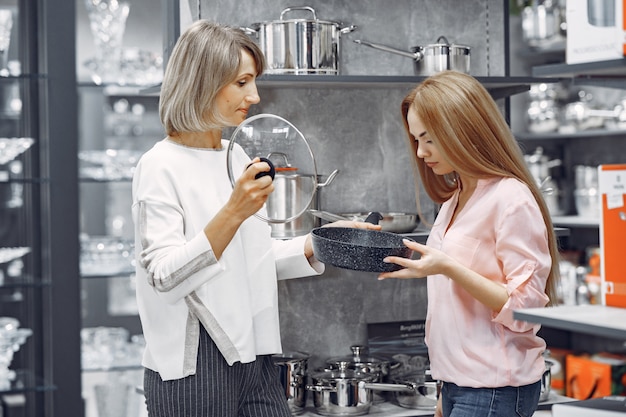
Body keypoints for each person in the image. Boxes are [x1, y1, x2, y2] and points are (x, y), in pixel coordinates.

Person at [131, 20, 378, 417]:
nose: (255, 95)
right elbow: (163, 276)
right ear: (203, 82)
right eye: (242, 82)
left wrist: (320, 241)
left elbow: (249, 260)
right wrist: (233, 211)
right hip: (194, 364)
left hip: (255, 352)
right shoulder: (159, 165)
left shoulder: (236, 156)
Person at [379, 70, 561, 417]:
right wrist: (445, 390)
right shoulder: (456, 199)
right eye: (417, 139)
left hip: (495, 389)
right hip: (459, 386)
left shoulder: (510, 198)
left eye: (429, 139)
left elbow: (526, 309)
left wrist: (447, 266)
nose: (420, 152)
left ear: (462, 129)